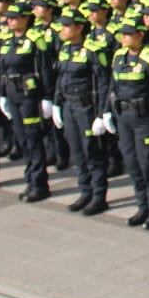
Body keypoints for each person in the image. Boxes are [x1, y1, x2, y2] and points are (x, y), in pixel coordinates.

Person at [107, 19, 149, 229]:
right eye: (122, 34)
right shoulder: (119, 56)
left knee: (148, 164)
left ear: (140, 35)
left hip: (144, 117)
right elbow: (112, 85)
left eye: (128, 34)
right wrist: (106, 111)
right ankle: (142, 206)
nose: (123, 38)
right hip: (123, 116)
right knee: (132, 164)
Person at [52, 13, 111, 213]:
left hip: (86, 107)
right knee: (77, 152)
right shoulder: (65, 49)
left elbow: (103, 83)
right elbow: (61, 78)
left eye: (67, 26)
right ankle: (85, 191)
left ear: (79, 28)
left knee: (92, 152)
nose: (62, 30)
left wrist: (103, 113)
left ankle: (98, 196)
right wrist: (56, 104)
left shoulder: (93, 50)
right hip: (69, 105)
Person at [0, 3, 53, 202]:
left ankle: (39, 184)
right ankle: (30, 180)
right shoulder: (6, 41)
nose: (10, 21)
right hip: (12, 94)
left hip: (29, 96)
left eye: (14, 18)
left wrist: (47, 97)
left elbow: (45, 69)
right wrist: (1, 94)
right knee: (22, 140)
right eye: (9, 18)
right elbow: (1, 70)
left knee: (33, 140)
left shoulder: (35, 40)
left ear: (25, 18)